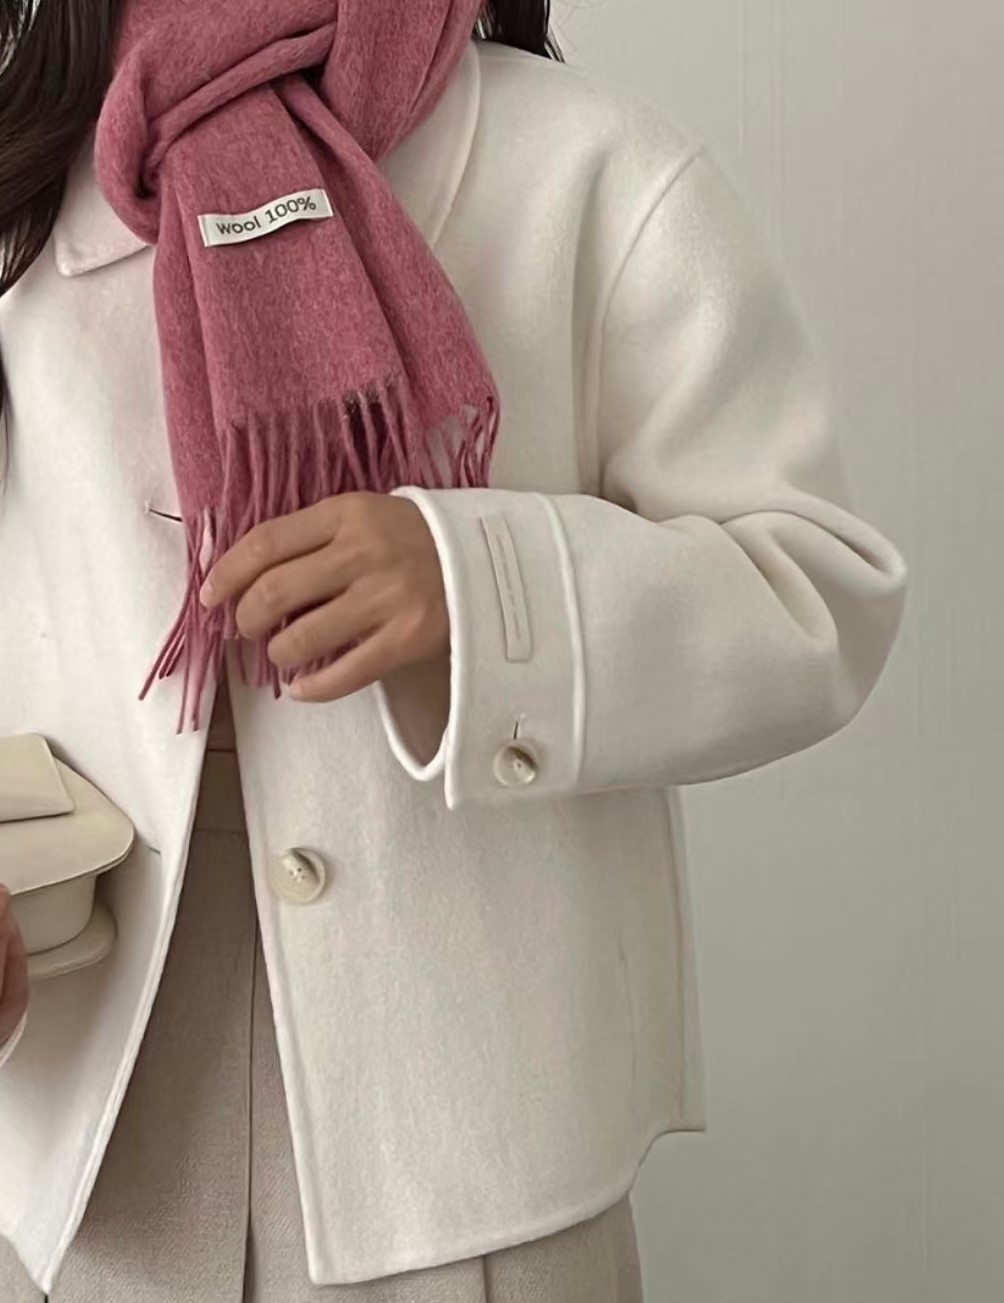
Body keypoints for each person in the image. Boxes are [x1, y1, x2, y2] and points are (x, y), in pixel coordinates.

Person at [0, 1, 910, 1299]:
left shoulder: (593, 172)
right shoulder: (34, 188)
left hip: (477, 1136)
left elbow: (816, 594)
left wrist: (477, 586)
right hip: (87, 1136)